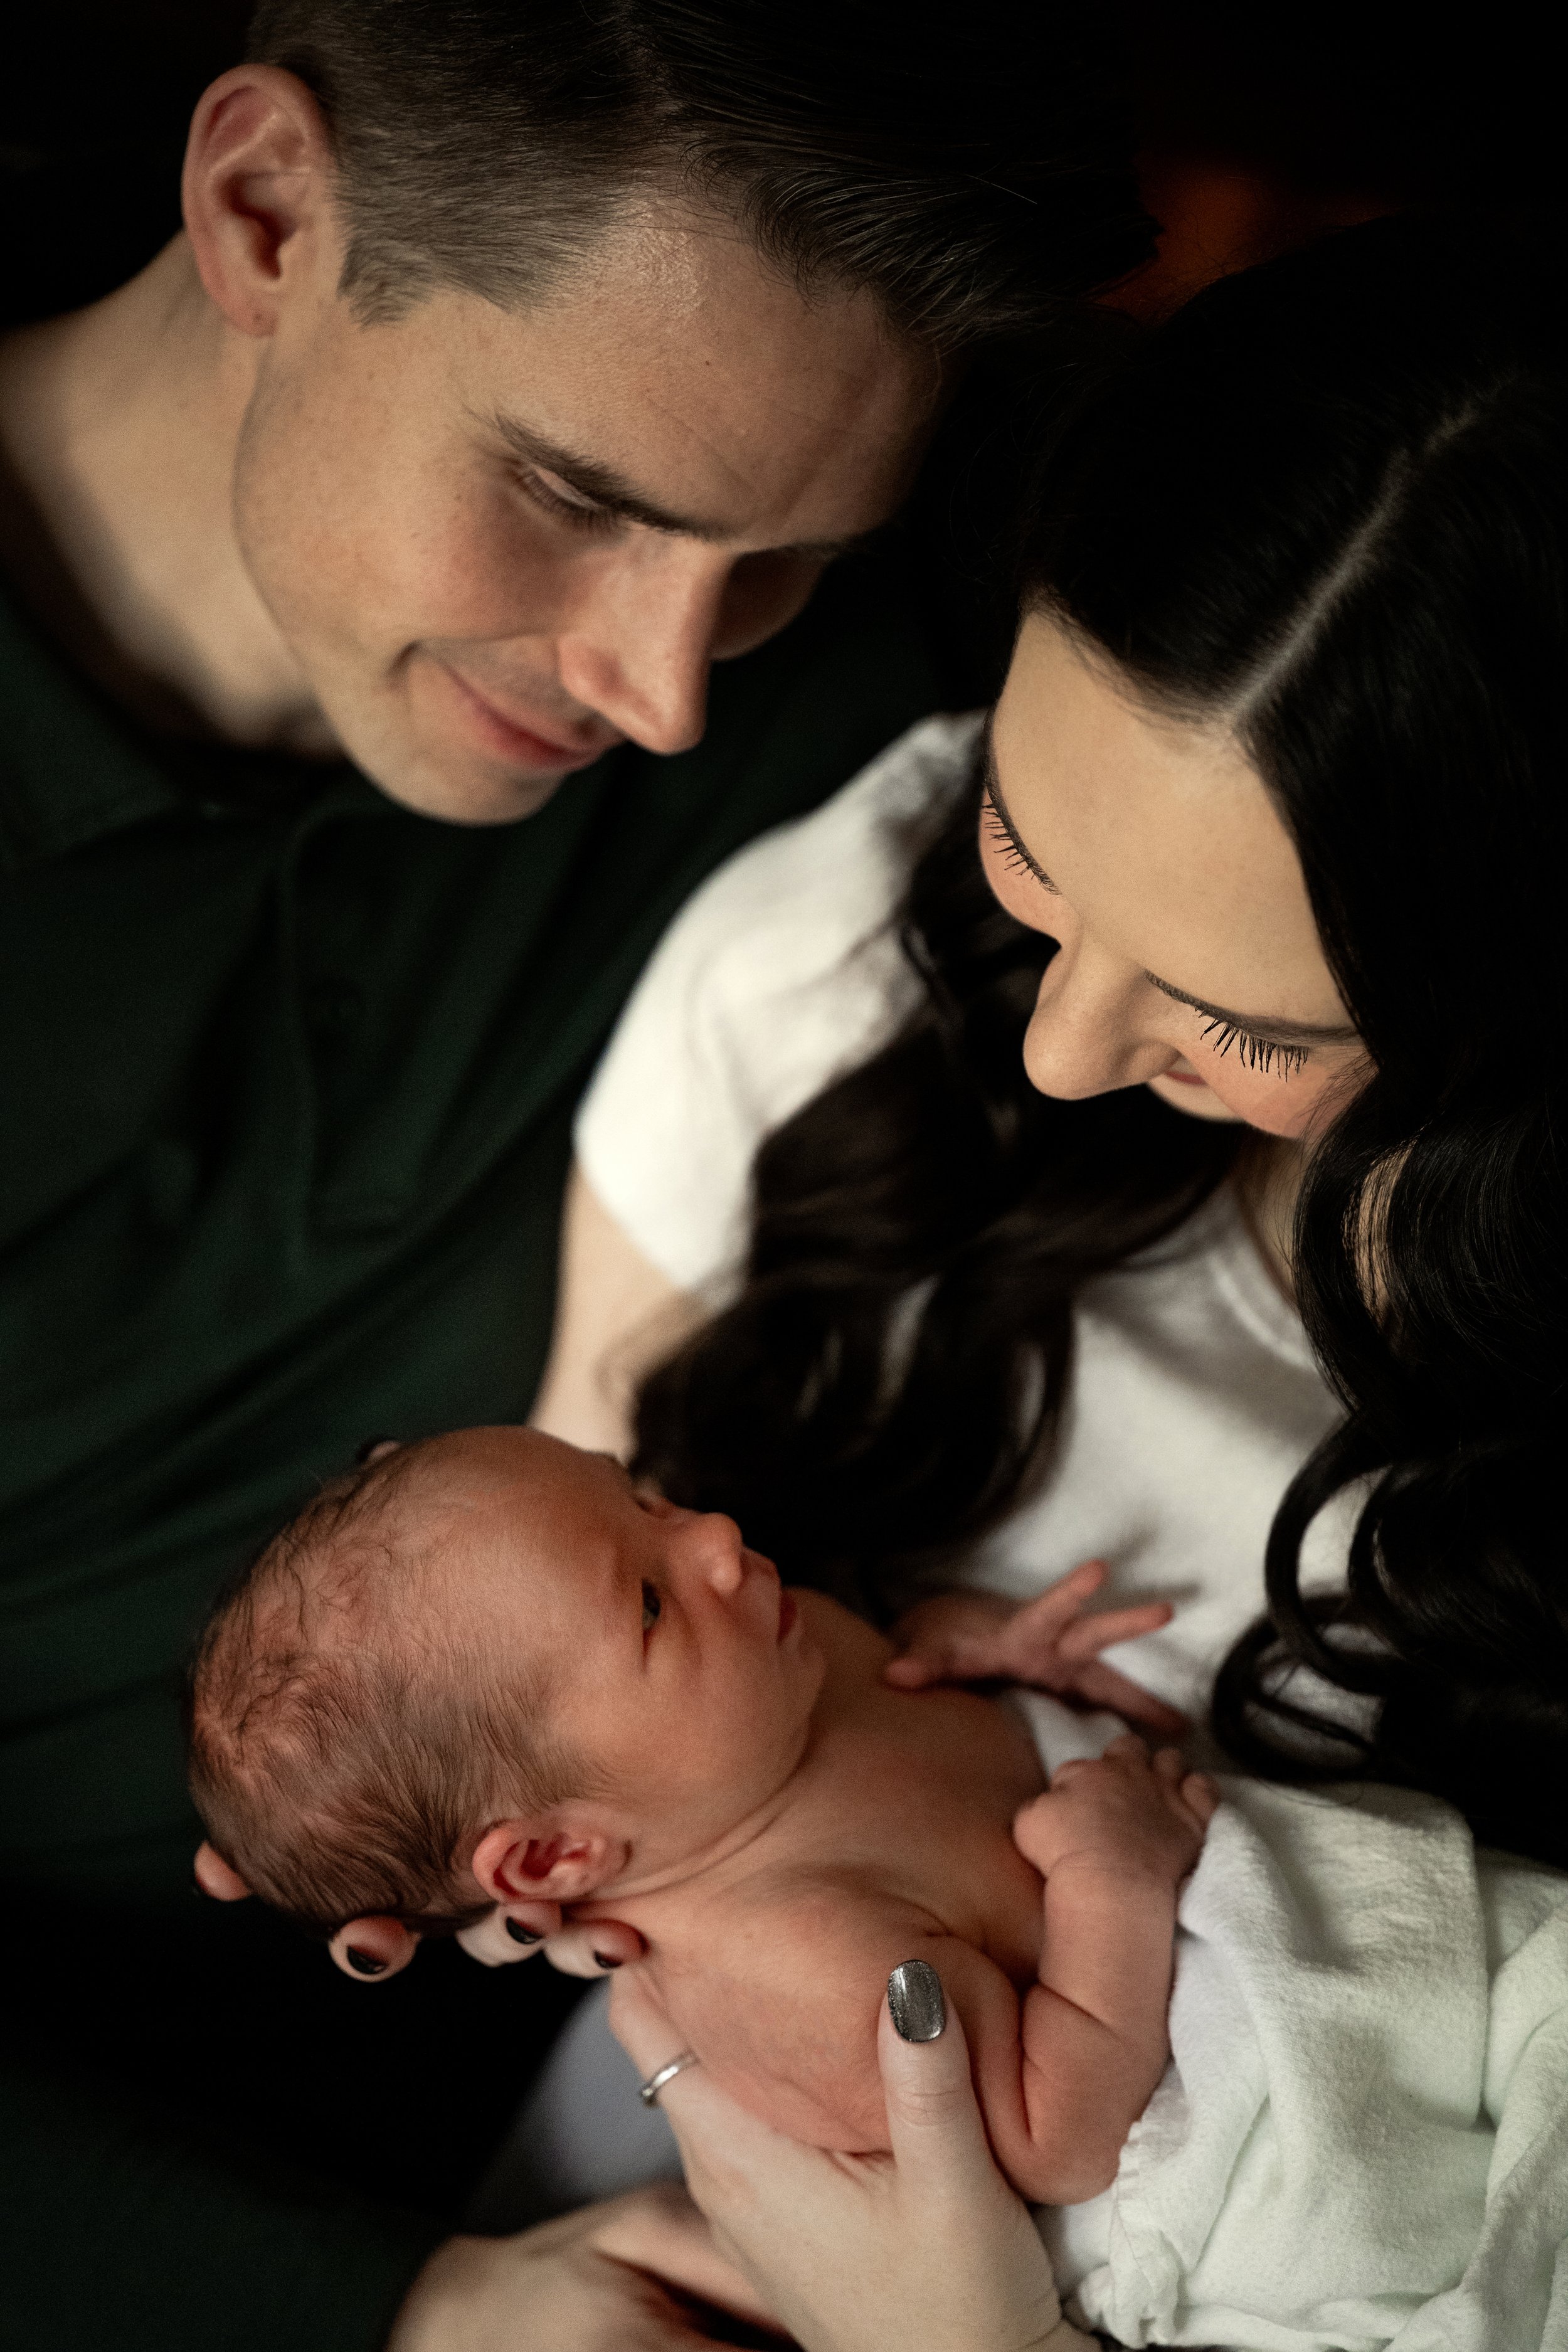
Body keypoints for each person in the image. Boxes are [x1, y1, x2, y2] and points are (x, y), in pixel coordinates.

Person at [0, 3, 1154, 2344]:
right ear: (263, 215)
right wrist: (372, 2308)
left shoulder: (923, 573)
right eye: (583, 497)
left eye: (773, 565)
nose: (667, 691)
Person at [435, 211, 1559, 2345]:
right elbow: (554, 1651)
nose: (1056, 1052)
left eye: (1252, 1022)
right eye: (1029, 855)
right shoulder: (840, 975)